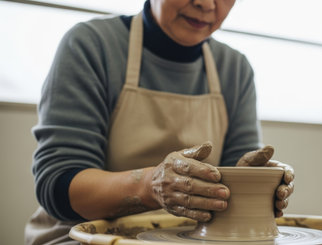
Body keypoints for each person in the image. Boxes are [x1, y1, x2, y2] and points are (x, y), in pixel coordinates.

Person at [25, 0, 294, 244]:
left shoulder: (234, 68)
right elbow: (57, 185)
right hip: (82, 233)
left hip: (195, 237)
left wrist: (258, 182)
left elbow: (236, 185)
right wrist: (150, 186)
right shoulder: (92, 44)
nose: (205, 4)